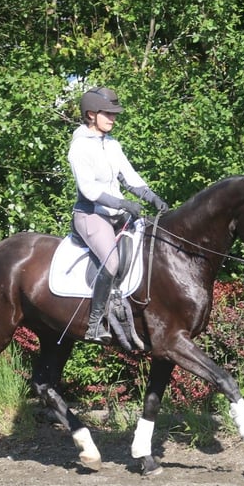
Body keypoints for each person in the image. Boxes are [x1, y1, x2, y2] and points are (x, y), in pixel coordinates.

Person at [68, 86, 168, 343]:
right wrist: (124, 204)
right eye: (108, 114)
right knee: (111, 263)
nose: (113, 119)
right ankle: (94, 323)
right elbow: (89, 190)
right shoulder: (79, 147)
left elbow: (129, 176)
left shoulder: (112, 145)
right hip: (91, 215)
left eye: (115, 114)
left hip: (116, 215)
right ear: (91, 114)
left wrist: (151, 197)